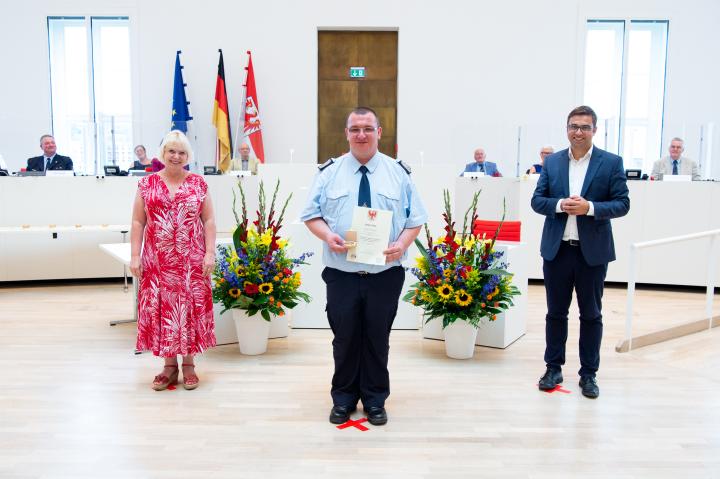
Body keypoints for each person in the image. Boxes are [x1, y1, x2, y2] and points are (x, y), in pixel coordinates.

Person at [301, 107, 427, 426]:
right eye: (355, 129)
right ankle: (342, 398)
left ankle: (374, 399)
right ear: (346, 133)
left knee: (376, 337)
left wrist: (402, 244)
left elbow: (415, 220)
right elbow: (311, 215)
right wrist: (327, 235)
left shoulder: (398, 173)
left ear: (379, 132)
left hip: (385, 274)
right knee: (344, 338)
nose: (361, 134)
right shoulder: (328, 172)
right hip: (341, 273)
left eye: (368, 129)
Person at [530, 105, 629, 399]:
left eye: (585, 127)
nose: (578, 132)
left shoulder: (611, 163)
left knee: (591, 315)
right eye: (574, 126)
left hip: (592, 254)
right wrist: (560, 205)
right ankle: (553, 367)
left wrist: (591, 208)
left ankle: (589, 374)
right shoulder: (553, 163)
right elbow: (538, 201)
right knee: (556, 314)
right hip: (557, 250)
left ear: (594, 131)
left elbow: (622, 204)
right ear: (567, 129)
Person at [129, 130, 217, 391]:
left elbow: (209, 220)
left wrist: (209, 252)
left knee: (187, 308)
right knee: (163, 311)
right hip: (157, 261)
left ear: (187, 156)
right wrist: (135, 255)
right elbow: (137, 221)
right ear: (163, 154)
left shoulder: (199, 183)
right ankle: (169, 366)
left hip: (191, 261)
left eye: (181, 152)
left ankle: (189, 365)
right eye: (171, 151)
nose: (176, 156)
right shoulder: (147, 184)